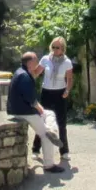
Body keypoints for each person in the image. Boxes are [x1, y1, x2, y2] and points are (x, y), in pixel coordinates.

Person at [6, 51, 62, 174]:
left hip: (18, 110)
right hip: (26, 112)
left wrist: (41, 110)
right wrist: (40, 110)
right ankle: (49, 165)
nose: (37, 64)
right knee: (46, 136)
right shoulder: (25, 76)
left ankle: (51, 128)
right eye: (36, 61)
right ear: (30, 63)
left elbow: (30, 98)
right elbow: (31, 99)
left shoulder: (19, 72)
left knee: (50, 114)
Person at [33, 37, 74, 167]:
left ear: (62, 49)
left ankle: (64, 151)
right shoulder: (45, 59)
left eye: (58, 47)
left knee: (61, 123)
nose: (55, 50)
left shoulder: (67, 62)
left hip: (60, 93)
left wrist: (67, 90)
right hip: (46, 93)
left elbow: (70, 79)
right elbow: (36, 73)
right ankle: (36, 149)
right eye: (53, 47)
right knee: (42, 121)